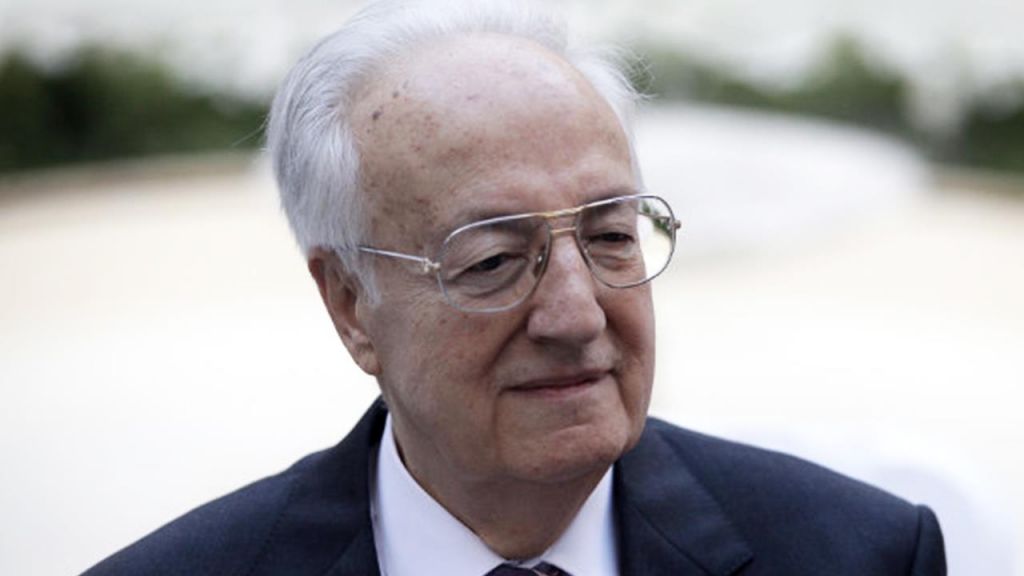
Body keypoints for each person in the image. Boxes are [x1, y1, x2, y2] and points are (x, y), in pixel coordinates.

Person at [82, 1, 946, 574]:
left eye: (610, 236)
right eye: (492, 259)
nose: (576, 314)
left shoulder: (861, 555)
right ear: (350, 304)